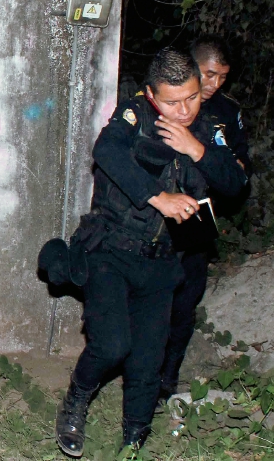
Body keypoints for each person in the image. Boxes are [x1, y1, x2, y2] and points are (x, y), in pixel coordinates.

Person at [56, 48, 248, 457]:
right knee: (111, 345)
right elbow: (106, 152)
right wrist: (158, 196)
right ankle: (75, 401)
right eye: (172, 102)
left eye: (192, 97)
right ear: (150, 95)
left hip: (163, 261)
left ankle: (133, 441)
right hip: (111, 251)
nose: (184, 110)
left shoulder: (210, 125)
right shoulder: (135, 115)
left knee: (147, 362)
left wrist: (196, 148)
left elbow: (236, 184)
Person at [156, 38, 251, 399]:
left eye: (223, 77)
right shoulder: (166, 100)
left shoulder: (226, 111)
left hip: (198, 217)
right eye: (209, 75)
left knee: (186, 302)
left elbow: (240, 167)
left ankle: (168, 379)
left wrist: (225, 163)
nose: (214, 85)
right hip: (158, 215)